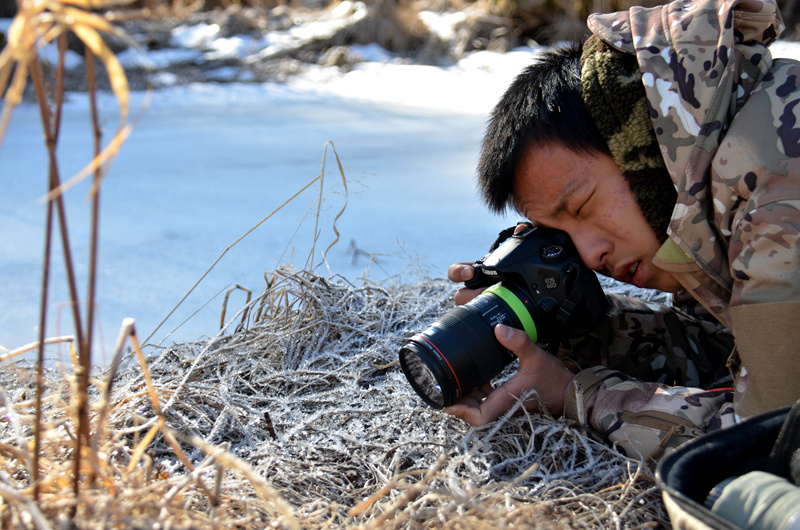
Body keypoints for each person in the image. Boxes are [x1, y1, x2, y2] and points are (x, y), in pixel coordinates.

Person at [445, 0, 800, 464]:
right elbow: (717, 348)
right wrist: (561, 321)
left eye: (581, 206)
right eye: (562, 234)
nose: (590, 254)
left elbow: (774, 442)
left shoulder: (774, 182)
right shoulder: (703, 191)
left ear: (644, 146)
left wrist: (579, 396)